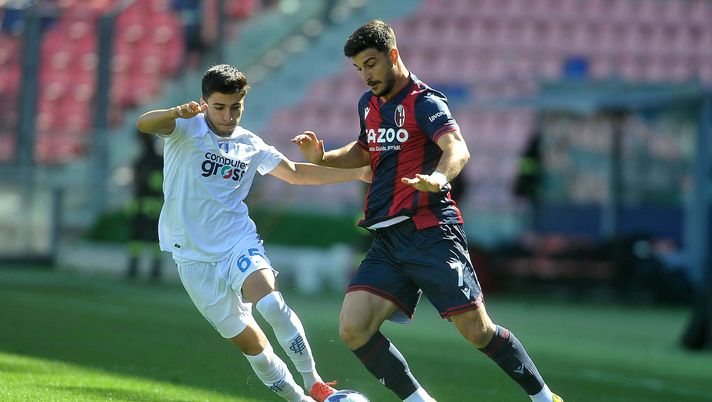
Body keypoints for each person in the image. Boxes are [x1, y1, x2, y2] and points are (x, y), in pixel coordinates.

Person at [292, 20, 563, 402]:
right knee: (354, 328)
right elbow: (363, 151)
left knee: (477, 331)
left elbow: (458, 148)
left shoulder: (424, 101)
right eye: (359, 68)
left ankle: (543, 397)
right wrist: (323, 157)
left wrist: (439, 178)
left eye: (371, 64)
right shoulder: (367, 104)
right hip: (388, 239)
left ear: (393, 55)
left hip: (431, 231)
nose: (366, 75)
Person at [136, 64, 370, 402]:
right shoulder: (185, 127)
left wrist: (358, 174)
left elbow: (294, 174)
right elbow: (144, 123)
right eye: (219, 107)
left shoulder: (250, 144)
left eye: (236, 107)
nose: (228, 115)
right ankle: (299, 400)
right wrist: (175, 111)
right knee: (253, 345)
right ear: (204, 103)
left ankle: (315, 382)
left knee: (272, 303)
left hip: (237, 241)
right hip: (191, 257)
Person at [126, 132, 164, 280]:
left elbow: (151, 183)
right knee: (152, 238)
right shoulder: (157, 160)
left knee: (139, 236)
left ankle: (136, 268)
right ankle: (153, 269)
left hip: (146, 203)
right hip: (150, 204)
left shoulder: (143, 161)